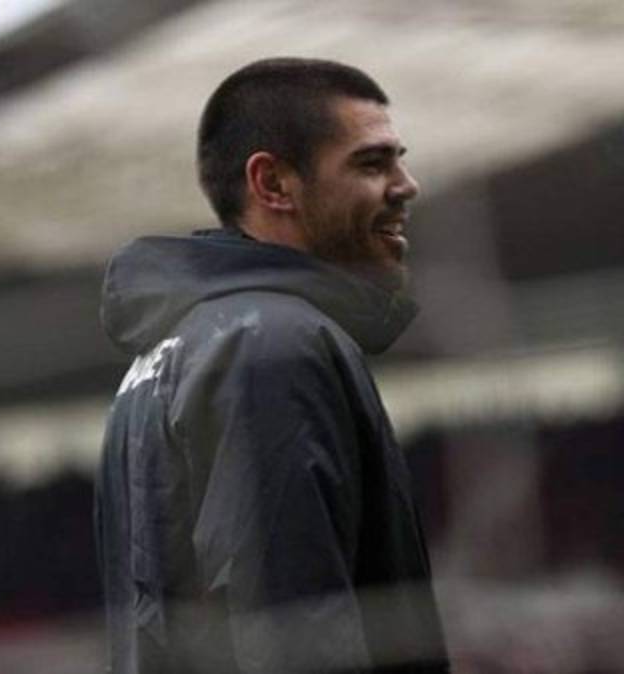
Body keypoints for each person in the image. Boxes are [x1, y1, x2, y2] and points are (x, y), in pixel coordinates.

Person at [95, 57, 450, 673]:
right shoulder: (273, 344)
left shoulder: (161, 357)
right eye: (372, 163)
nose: (407, 184)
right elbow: (296, 636)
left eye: (399, 160)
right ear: (274, 184)